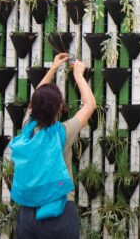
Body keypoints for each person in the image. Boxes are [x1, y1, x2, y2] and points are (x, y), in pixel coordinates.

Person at [14, 53, 96, 238]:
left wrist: (53, 68)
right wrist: (78, 75)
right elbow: (90, 104)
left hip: (28, 212)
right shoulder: (63, 133)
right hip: (59, 210)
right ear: (60, 107)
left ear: (33, 106)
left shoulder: (28, 127)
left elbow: (36, 97)